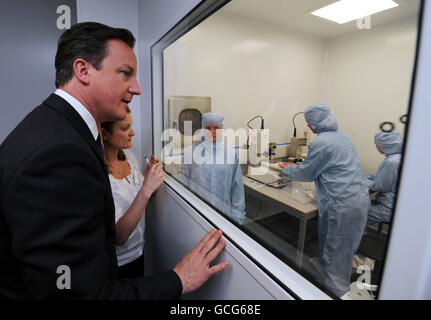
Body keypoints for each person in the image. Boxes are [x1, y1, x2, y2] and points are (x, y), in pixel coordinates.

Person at [0, 22, 228, 299]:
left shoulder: (59, 128)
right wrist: (179, 278)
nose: (138, 88)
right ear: (83, 70)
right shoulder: (59, 153)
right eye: (125, 74)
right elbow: (78, 294)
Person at [279, 104, 369, 297]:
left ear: (313, 124)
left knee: (335, 249)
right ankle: (336, 277)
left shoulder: (321, 142)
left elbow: (306, 174)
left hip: (341, 204)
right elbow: (330, 165)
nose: (309, 127)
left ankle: (333, 291)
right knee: (345, 248)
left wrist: (286, 168)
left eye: (309, 124)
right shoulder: (343, 137)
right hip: (359, 199)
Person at [101, 108, 163, 278]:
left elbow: (137, 197)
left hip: (139, 253)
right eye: (124, 128)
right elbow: (120, 236)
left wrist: (149, 178)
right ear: (105, 134)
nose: (133, 132)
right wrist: (146, 188)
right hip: (118, 264)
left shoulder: (129, 156)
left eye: (132, 126)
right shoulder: (100, 176)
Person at [180, 113, 246, 224]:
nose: (212, 131)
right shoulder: (190, 152)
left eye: (216, 128)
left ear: (222, 129)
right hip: (196, 214)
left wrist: (237, 218)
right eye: (208, 128)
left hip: (224, 215)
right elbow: (183, 183)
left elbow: (237, 189)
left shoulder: (230, 154)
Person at [364, 130, 402, 226]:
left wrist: (358, 179)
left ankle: (344, 239)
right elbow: (381, 178)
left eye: (377, 144)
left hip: (387, 208)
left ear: (386, 144)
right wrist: (363, 176)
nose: (376, 146)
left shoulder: (392, 162)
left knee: (350, 214)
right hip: (388, 203)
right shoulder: (396, 157)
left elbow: (380, 186)